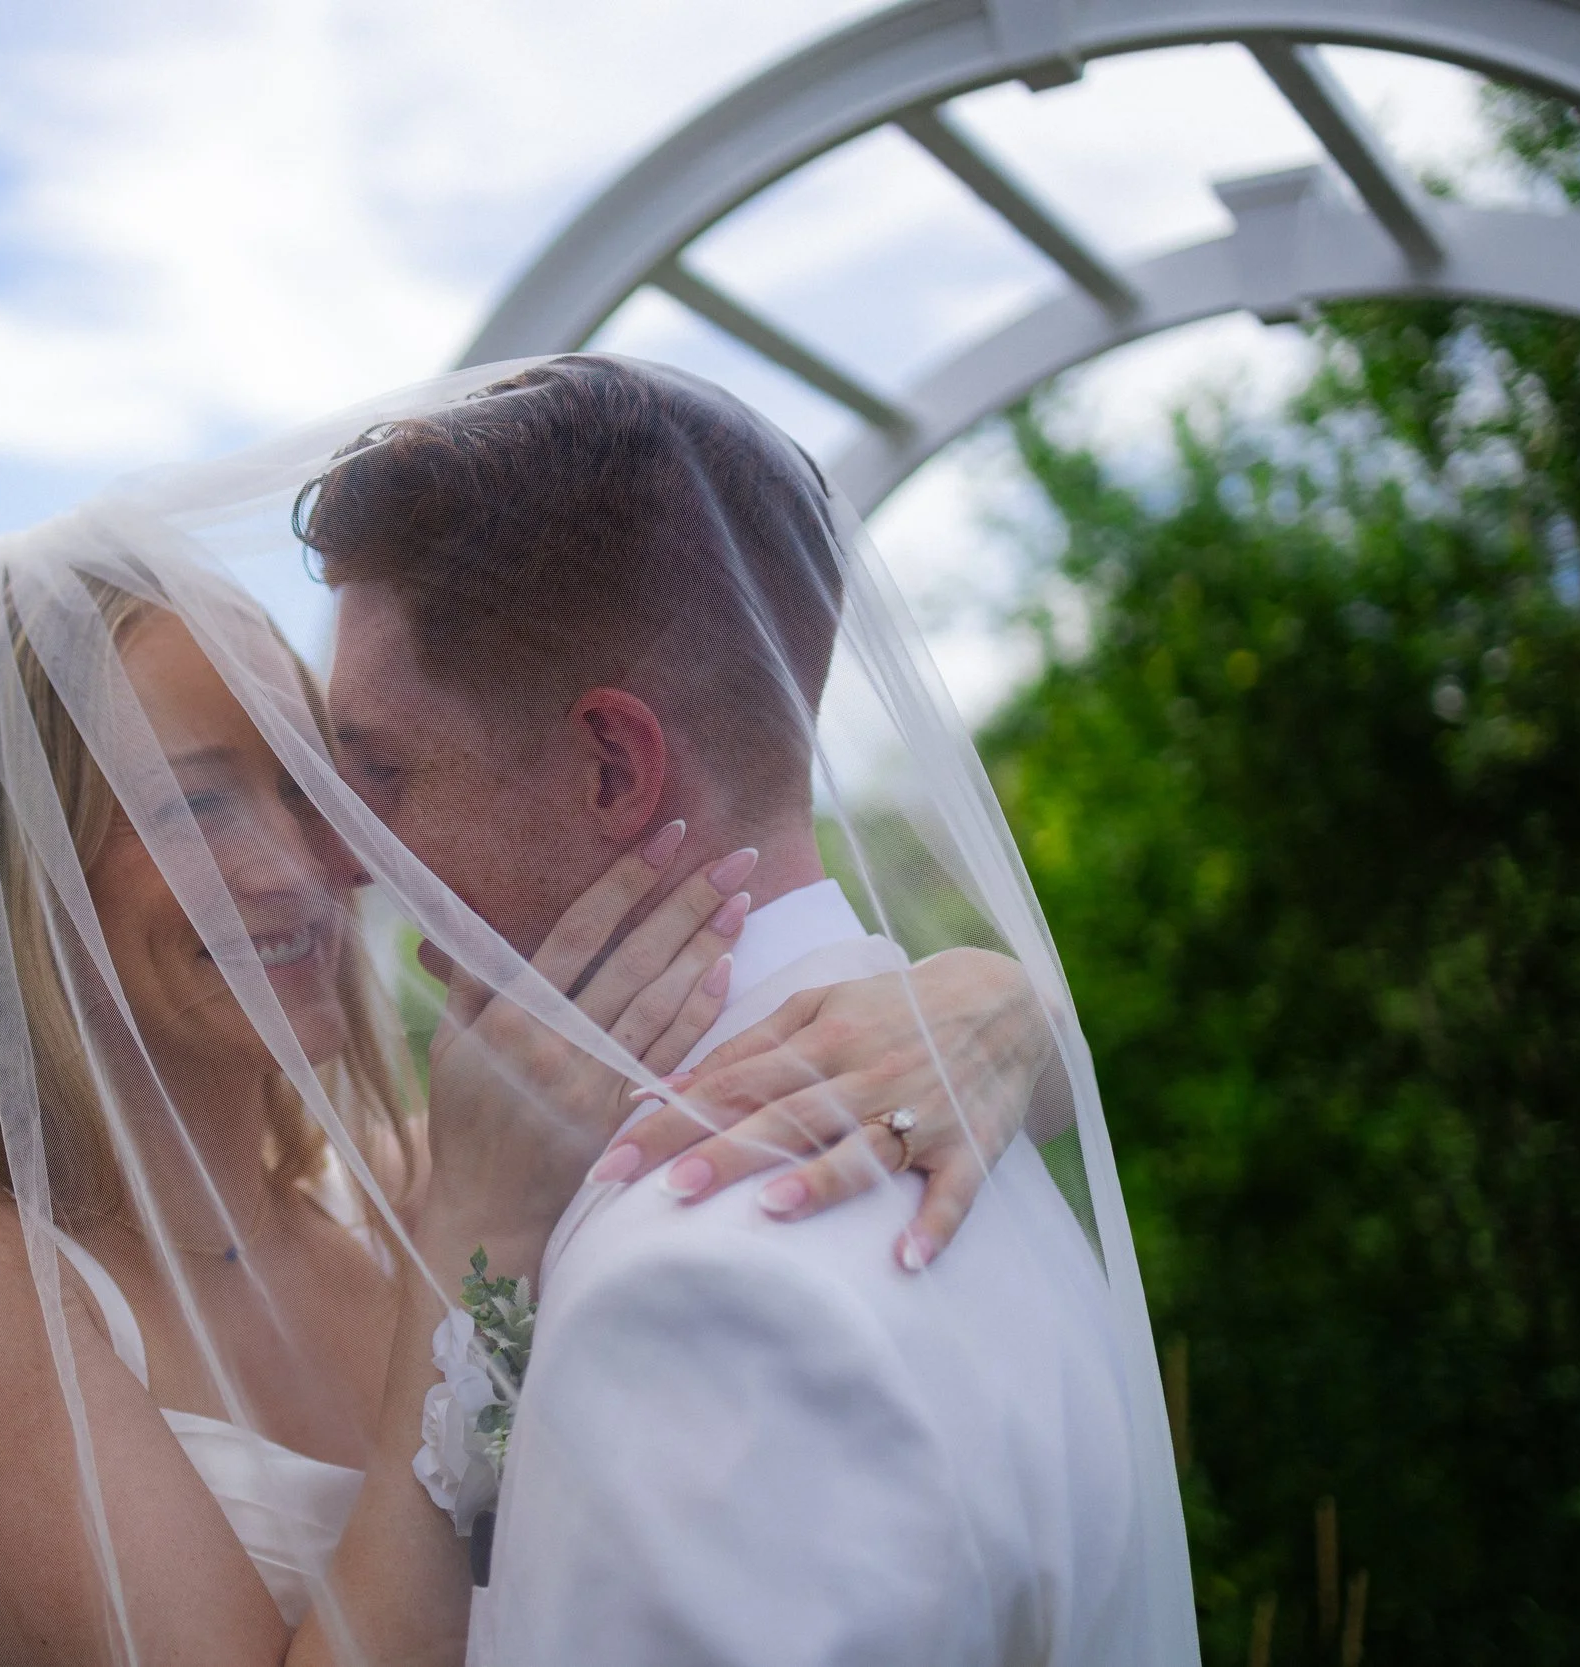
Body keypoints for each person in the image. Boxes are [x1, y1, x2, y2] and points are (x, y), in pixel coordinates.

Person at [0, 357, 1175, 1667]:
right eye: (198, 804)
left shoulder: (386, 1184)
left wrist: (1000, 1012)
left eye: (317, 779)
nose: (322, 861)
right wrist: (466, 1245)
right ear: (10, 875)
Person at [298, 354, 1196, 1665]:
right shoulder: (960, 1111)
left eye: (381, 767)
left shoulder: (700, 1286)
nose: (355, 853)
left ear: (613, 770)